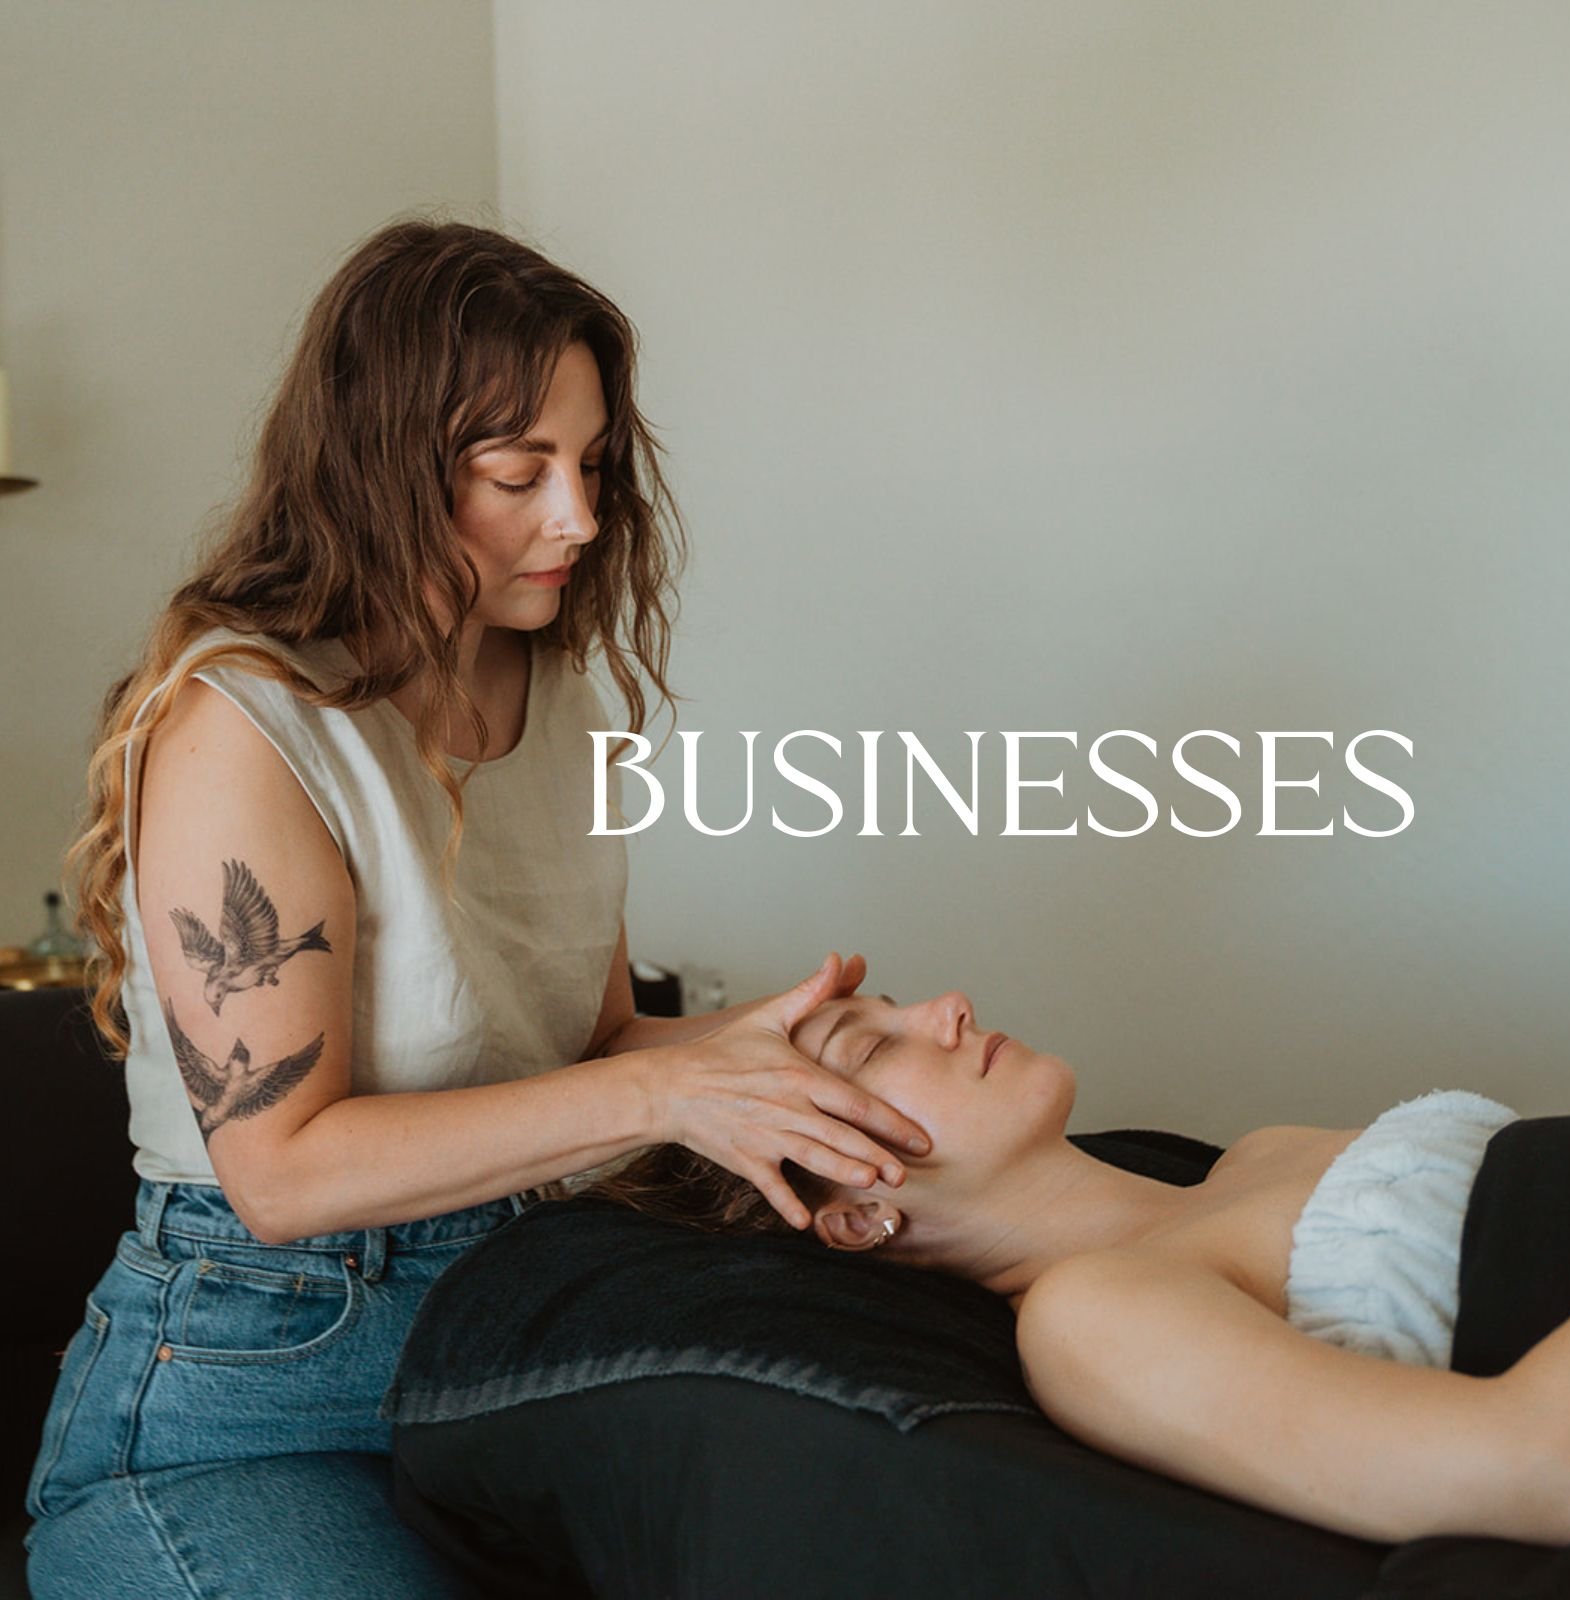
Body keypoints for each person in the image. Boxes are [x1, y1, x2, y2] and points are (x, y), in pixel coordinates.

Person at [23, 215, 933, 1599]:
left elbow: (601, 1041)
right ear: (382, 471)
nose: (575, 517)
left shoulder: (550, 694)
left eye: (593, 467)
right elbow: (285, 1172)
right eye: (520, 473)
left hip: (508, 1341)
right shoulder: (243, 723)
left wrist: (801, 1056)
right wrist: (665, 1103)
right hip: (248, 1392)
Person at [577, 987, 1570, 1548]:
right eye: (873, 1046)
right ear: (855, 1215)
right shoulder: (1096, 1320)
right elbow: (1560, 1471)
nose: (943, 1005)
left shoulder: (1248, 1154)